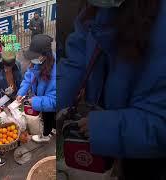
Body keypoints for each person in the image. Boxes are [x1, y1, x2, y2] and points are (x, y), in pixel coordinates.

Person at [58, 0, 166, 179]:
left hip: (147, 159)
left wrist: (105, 128)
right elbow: (77, 57)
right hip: (107, 138)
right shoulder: (99, 8)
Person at [16, 34, 56, 143]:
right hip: (41, 98)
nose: (32, 60)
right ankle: (53, 127)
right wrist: (21, 92)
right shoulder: (37, 63)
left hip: (46, 101)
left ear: (44, 55)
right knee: (49, 117)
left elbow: (54, 101)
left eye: (34, 56)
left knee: (49, 116)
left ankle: (46, 135)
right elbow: (28, 77)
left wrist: (35, 101)